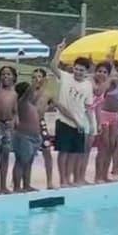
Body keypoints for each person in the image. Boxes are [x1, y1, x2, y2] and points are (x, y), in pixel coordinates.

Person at [49, 46, 93, 187]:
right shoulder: (65, 77)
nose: (78, 72)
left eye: (81, 70)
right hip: (64, 120)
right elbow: (53, 66)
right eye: (76, 69)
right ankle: (63, 180)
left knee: (74, 153)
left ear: (86, 72)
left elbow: (88, 106)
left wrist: (91, 124)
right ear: (73, 68)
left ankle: (69, 178)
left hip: (80, 123)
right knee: (64, 152)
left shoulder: (88, 85)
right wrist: (59, 51)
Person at [0, 64, 18, 193]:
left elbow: (15, 111)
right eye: (3, 74)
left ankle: (3, 186)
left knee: (5, 155)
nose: (5, 76)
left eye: (8, 74)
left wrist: (14, 121)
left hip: (7, 126)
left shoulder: (14, 94)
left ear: (13, 77)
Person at [13, 81, 43, 192]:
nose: (34, 93)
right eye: (32, 91)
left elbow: (39, 93)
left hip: (34, 137)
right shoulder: (22, 102)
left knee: (29, 162)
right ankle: (17, 186)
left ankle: (26, 185)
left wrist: (43, 84)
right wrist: (35, 82)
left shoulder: (31, 104)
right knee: (21, 162)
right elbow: (28, 92)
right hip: (24, 136)